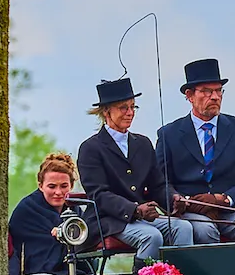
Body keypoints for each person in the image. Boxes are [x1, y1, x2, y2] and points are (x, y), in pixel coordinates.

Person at [154, 58, 235, 243]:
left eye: (219, 90)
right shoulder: (169, 134)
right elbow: (160, 182)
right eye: (206, 91)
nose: (215, 97)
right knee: (204, 231)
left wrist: (223, 199)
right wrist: (180, 200)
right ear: (189, 95)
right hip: (193, 213)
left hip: (233, 210)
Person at [75, 77, 193, 260]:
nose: (130, 113)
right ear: (106, 111)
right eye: (123, 108)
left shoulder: (143, 144)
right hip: (108, 219)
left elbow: (157, 185)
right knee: (151, 237)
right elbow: (99, 194)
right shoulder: (91, 148)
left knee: (184, 228)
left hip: (141, 218)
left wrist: (173, 199)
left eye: (133, 107)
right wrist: (134, 209)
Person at [7, 152, 80, 275]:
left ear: (71, 186)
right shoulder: (27, 210)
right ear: (41, 186)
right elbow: (13, 250)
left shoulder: (76, 210)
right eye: (52, 186)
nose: (58, 192)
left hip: (73, 274)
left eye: (64, 186)